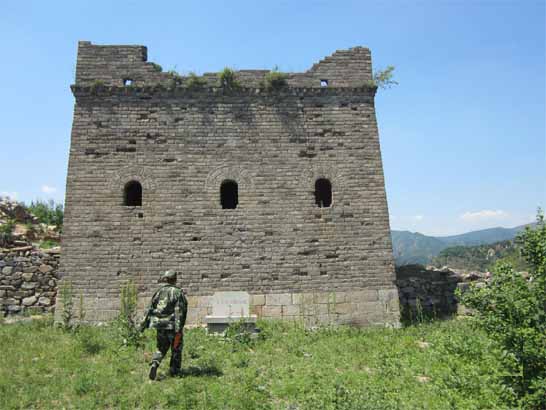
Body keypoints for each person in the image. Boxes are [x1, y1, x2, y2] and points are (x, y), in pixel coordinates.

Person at [140, 270, 188, 380]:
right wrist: (178, 328)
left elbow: (149, 308)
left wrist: (144, 325)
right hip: (172, 326)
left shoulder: (158, 292)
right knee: (176, 348)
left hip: (160, 325)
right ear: (175, 279)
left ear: (165, 279)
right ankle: (174, 371)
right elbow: (179, 311)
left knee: (161, 347)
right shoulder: (177, 292)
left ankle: (155, 363)